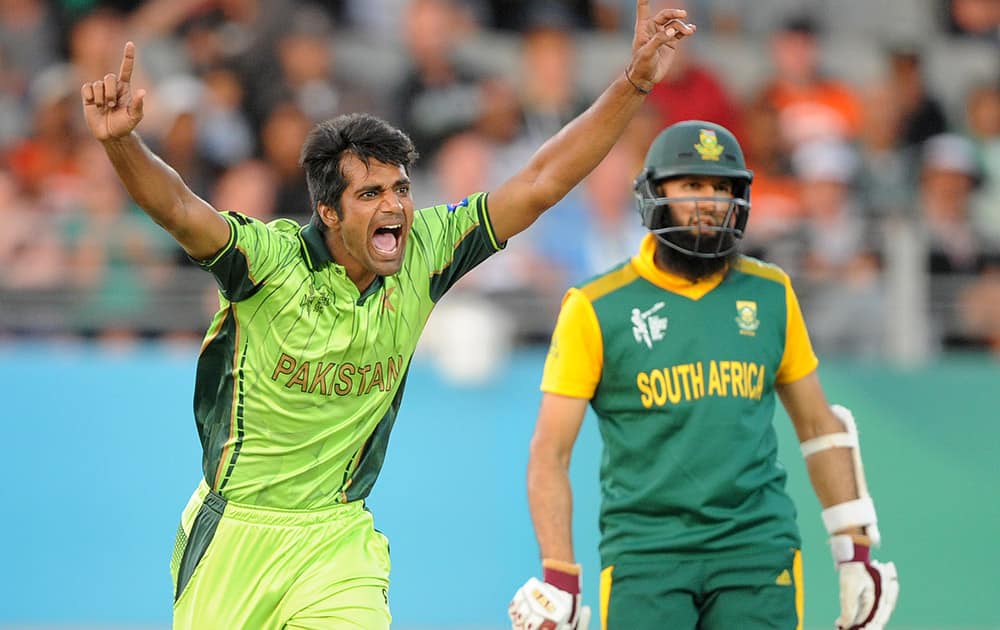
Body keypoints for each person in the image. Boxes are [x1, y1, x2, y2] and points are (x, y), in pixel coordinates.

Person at [79, 2, 695, 627]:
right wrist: (124, 143)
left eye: (400, 188)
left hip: (337, 539)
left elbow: (539, 181)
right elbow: (181, 210)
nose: (395, 206)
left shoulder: (426, 252)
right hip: (236, 531)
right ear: (329, 212)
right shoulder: (267, 262)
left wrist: (634, 82)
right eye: (370, 194)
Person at [507, 121, 899, 630]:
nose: (710, 200)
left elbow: (820, 428)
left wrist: (855, 550)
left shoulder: (771, 292)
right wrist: (560, 576)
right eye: (692, 185)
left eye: (722, 187)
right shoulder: (595, 306)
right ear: (655, 193)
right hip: (646, 556)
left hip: (756, 550)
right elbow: (549, 452)